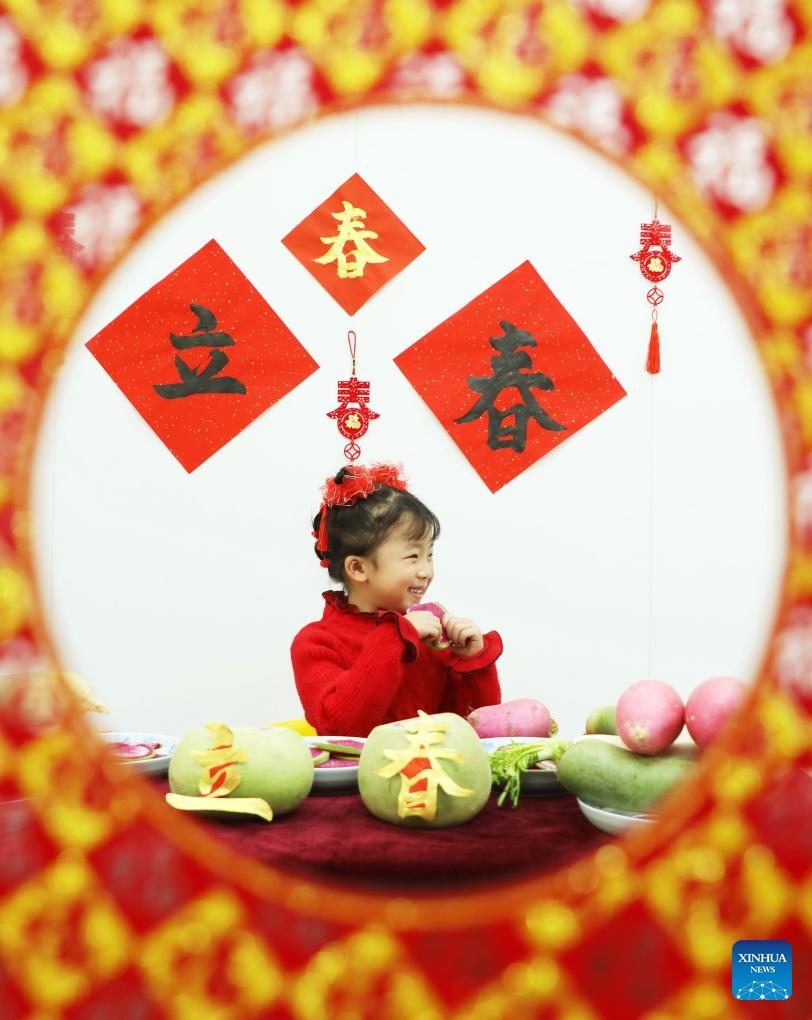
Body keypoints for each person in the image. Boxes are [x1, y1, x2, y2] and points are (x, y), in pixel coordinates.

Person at [290, 462, 502, 736]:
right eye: (412, 557)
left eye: (429, 555)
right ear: (358, 568)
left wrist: (472, 662)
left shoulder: (430, 636)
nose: (426, 571)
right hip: (358, 780)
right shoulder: (316, 643)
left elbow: (476, 734)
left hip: (434, 776)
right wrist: (396, 637)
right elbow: (342, 728)